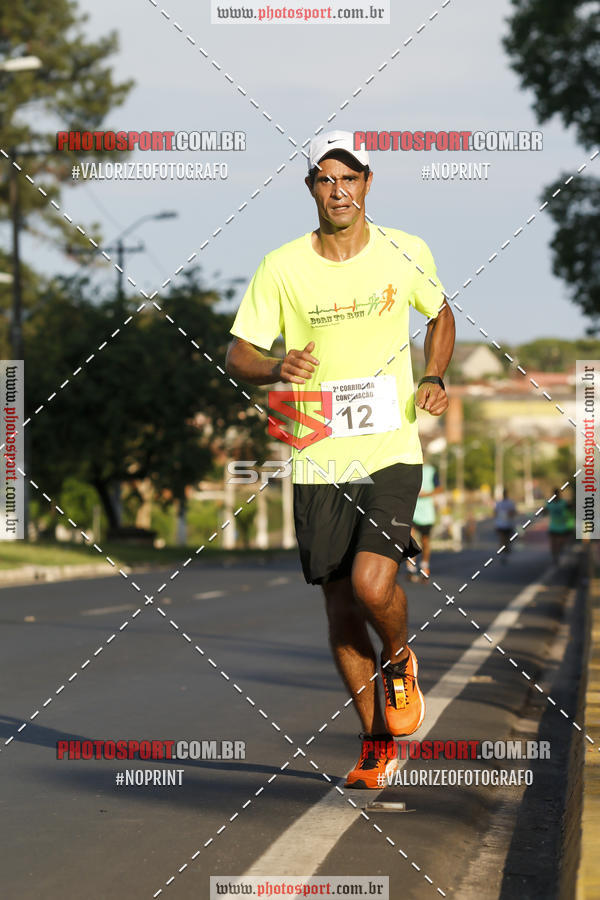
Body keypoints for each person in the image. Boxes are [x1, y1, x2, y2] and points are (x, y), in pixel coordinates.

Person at [225, 130, 455, 789]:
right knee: (339, 609)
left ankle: (402, 657)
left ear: (367, 183)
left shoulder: (403, 250)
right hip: (316, 455)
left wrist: (434, 375)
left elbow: (439, 313)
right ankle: (376, 741)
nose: (339, 189)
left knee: (372, 584)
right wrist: (274, 366)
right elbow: (238, 352)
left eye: (349, 177)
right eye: (326, 179)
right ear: (311, 190)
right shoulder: (282, 266)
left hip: (390, 447)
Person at [406, 461, 442, 582]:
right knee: (411, 539)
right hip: (413, 511)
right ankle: (410, 569)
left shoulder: (431, 471)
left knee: (425, 541)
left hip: (427, 513)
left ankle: (424, 567)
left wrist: (426, 494)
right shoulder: (410, 469)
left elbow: (439, 489)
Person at [546, 486, 574, 563]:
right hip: (553, 527)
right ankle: (555, 557)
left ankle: (558, 553)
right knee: (553, 544)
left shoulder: (563, 503)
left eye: (557, 494)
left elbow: (570, 509)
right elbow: (545, 511)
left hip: (562, 527)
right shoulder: (549, 503)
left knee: (561, 543)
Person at [494, 488, 517, 563]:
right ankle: (503, 554)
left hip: (508, 524)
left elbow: (513, 513)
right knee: (502, 539)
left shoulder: (510, 503)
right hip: (501, 524)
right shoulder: (499, 503)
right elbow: (495, 513)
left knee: (506, 540)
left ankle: (505, 552)